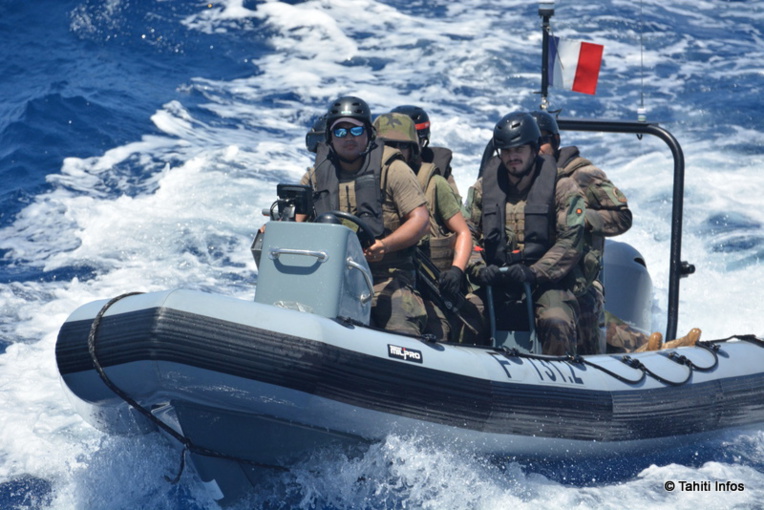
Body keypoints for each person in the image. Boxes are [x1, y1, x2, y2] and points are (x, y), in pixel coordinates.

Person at [298, 96, 430, 336]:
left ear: (369, 133)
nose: (348, 137)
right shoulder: (316, 175)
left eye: (356, 130)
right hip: (330, 278)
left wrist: (385, 246)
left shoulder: (392, 169)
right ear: (330, 137)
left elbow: (420, 220)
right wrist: (275, 229)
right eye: (340, 132)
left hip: (388, 276)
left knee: (401, 327)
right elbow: (295, 221)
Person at [467, 111, 587, 355]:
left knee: (556, 320)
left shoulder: (562, 186)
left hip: (547, 283)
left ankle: (560, 376)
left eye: (519, 149)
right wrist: (478, 268)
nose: (512, 157)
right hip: (498, 280)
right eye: (506, 151)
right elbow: (466, 234)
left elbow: (570, 242)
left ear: (534, 149)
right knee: (465, 312)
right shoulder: (483, 188)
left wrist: (535, 272)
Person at [372, 112, 483, 342]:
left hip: (428, 287)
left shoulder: (433, 183)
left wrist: (456, 270)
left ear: (413, 149)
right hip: (381, 280)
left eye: (401, 145)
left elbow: (463, 231)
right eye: (387, 144)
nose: (394, 151)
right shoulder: (369, 182)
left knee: (438, 331)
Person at [530, 110, 632, 354]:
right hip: (534, 273)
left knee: (583, 323)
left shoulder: (582, 175)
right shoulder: (519, 175)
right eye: (529, 141)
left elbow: (623, 217)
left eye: (542, 140)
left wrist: (580, 219)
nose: (536, 148)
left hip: (578, 278)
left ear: (555, 141)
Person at [391, 105, 462, 202]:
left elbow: (456, 207)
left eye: (404, 144)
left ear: (422, 141)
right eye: (391, 144)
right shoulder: (377, 167)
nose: (397, 149)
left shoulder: (438, 175)